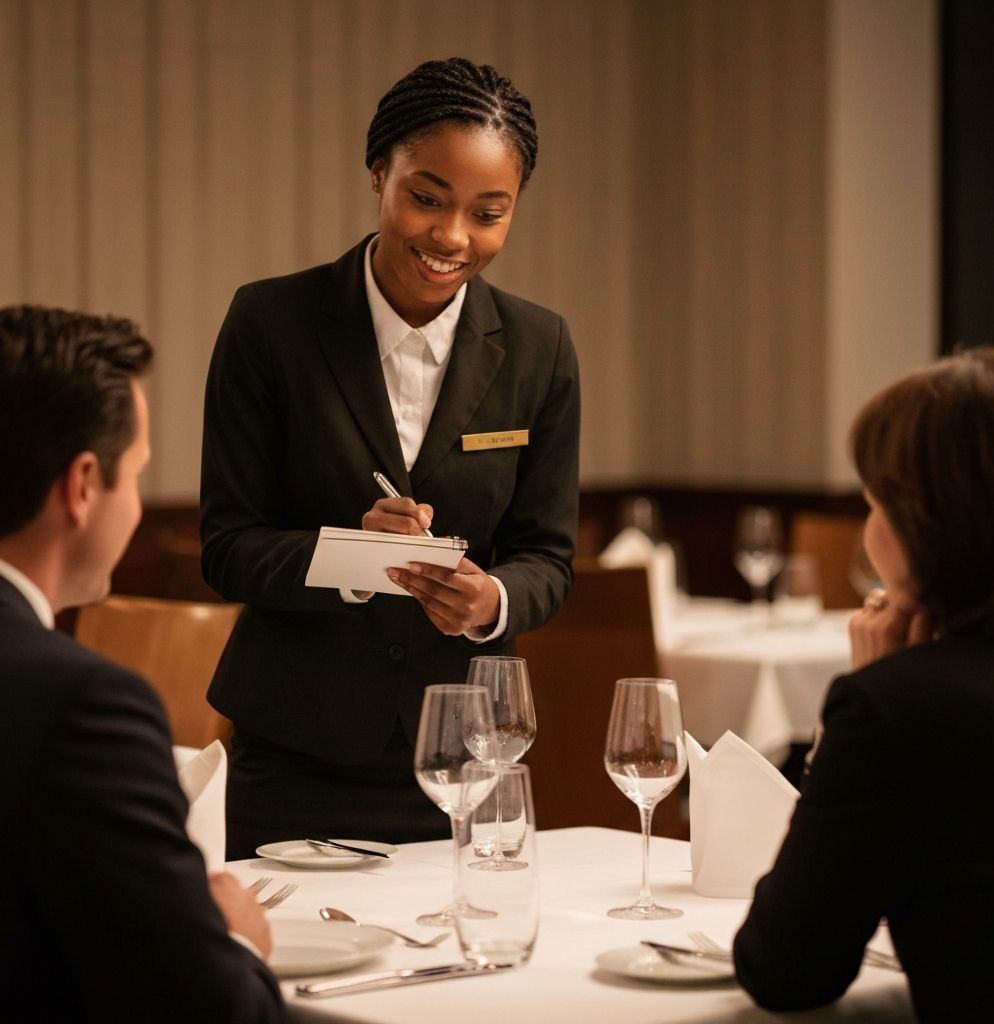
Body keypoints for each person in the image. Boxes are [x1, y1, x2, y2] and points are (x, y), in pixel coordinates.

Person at [201, 57, 580, 858]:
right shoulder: (271, 323)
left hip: (472, 757)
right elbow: (228, 548)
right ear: (379, 172)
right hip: (298, 755)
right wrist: (353, 557)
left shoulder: (540, 346)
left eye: (488, 213)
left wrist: (491, 601)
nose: (452, 237)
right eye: (427, 198)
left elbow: (548, 557)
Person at [0, 305, 285, 1023]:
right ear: (83, 485)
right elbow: (209, 1008)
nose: (135, 505)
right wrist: (237, 940)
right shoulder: (82, 702)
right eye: (136, 475)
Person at [733, 347, 994, 1022]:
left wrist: (868, 702)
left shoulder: (899, 708)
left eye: (873, 503)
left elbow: (786, 969)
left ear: (925, 522)